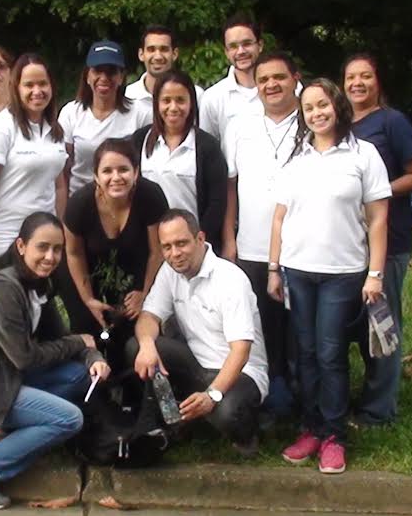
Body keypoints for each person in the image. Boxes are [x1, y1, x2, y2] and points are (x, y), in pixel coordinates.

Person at [0, 212, 110, 510]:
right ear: (21, 246)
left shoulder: (38, 284)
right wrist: (79, 343)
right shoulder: (3, 289)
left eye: (57, 249)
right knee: (69, 419)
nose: (50, 257)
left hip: (3, 377)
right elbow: (25, 357)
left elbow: (61, 338)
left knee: (81, 375)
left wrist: (92, 356)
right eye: (42, 247)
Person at [268, 78, 391, 475]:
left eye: (323, 105)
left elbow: (378, 218)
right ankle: (312, 428)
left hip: (343, 273)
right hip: (298, 271)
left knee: (330, 353)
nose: (317, 113)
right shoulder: (296, 157)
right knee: (304, 354)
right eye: (309, 108)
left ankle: (335, 435)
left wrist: (375, 273)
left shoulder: (363, 155)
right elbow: (280, 217)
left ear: (336, 106)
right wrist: (274, 268)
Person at [127, 209, 268, 456]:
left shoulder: (230, 279)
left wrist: (212, 396)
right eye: (167, 247)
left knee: (227, 413)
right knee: (137, 347)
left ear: (200, 239)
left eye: (181, 243)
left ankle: (247, 432)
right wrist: (148, 345)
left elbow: (241, 350)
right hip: (196, 363)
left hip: (241, 373)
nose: (174, 254)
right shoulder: (170, 271)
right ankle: (173, 420)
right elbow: (148, 317)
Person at [343, 53, 412, 425]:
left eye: (365, 76)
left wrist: (377, 191)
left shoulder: (392, 122)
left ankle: (379, 409)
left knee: (382, 322)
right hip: (349, 243)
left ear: (378, 82)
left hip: (389, 240)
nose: (357, 83)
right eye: (350, 77)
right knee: (355, 324)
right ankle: (354, 395)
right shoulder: (340, 123)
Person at [221, 51, 303, 417]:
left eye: (279, 78)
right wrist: (229, 238)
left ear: (294, 78)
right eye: (264, 79)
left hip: (303, 247)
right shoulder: (241, 124)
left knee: (301, 328)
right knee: (263, 325)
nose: (271, 85)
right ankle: (270, 396)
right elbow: (229, 187)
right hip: (252, 245)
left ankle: (305, 398)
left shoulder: (312, 121)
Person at [63, 138, 167, 367]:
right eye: (107, 171)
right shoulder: (79, 204)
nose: (116, 177)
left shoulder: (151, 196)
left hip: (137, 275)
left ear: (136, 172)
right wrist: (88, 299)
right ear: (95, 176)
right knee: (88, 333)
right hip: (88, 275)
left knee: (132, 337)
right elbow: (73, 253)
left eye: (123, 169)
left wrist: (145, 293)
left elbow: (156, 252)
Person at [0, 53, 68, 260]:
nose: (37, 91)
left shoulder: (55, 130)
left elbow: (59, 185)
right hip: (4, 236)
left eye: (43, 84)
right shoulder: (3, 127)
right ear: (16, 87)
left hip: (43, 240)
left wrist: (59, 227)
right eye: (29, 85)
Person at [131, 70, 227, 253]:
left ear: (191, 103)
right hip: (148, 245)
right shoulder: (140, 140)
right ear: (156, 103)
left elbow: (217, 202)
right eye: (166, 100)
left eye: (180, 100)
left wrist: (199, 241)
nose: (173, 107)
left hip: (191, 246)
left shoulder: (207, 146)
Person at [59, 40, 152, 196]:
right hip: (80, 202)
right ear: (87, 75)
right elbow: (63, 170)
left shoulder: (141, 113)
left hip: (126, 202)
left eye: (111, 72)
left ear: (121, 77)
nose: (104, 77)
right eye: (98, 71)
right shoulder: (70, 113)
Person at [199, 14, 268, 153]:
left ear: (260, 45)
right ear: (226, 52)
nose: (241, 51)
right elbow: (207, 150)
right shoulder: (212, 98)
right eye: (233, 46)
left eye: (247, 43)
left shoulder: (283, 89)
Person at [124, 25, 205, 109]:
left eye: (164, 49)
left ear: (174, 54)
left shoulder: (195, 95)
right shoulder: (128, 96)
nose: (158, 56)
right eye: (151, 49)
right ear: (141, 54)